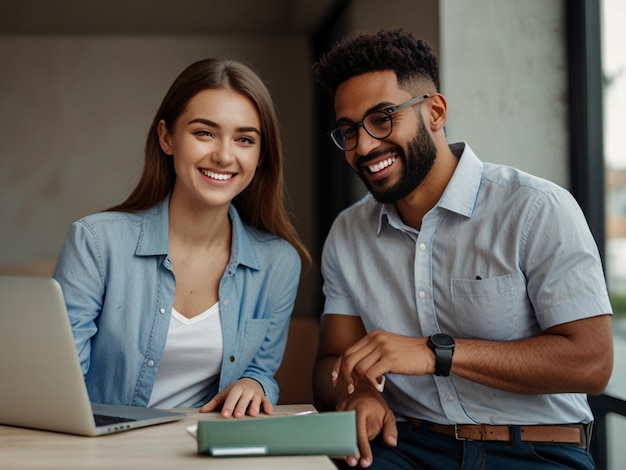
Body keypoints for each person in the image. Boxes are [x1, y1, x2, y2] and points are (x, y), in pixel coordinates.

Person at [311, 28, 614, 469]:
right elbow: (330, 363)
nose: (365, 146)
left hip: (534, 452)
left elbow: (592, 362)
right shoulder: (347, 232)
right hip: (404, 447)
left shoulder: (535, 209)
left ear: (434, 111)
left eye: (382, 118)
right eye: (349, 131)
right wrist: (355, 393)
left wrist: (434, 353)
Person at [53, 58, 310, 419]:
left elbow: (260, 370)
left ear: (261, 155)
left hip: (205, 450)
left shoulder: (279, 263)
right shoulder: (95, 243)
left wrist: (255, 384)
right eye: (204, 132)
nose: (223, 155)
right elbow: (61, 385)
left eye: (244, 139)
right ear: (166, 137)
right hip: (104, 449)